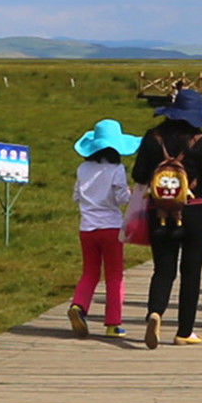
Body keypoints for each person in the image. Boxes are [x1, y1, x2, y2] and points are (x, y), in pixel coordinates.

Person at [131, 89, 202, 347]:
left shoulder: (153, 137)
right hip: (195, 210)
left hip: (158, 212)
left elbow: (138, 175)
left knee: (163, 269)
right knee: (191, 272)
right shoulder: (201, 141)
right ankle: (184, 331)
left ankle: (155, 312)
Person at [68, 119, 136, 338]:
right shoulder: (117, 169)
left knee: (90, 272)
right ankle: (113, 323)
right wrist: (131, 193)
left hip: (87, 228)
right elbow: (121, 198)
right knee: (114, 275)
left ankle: (78, 305)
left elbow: (76, 196)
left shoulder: (83, 168)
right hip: (111, 228)